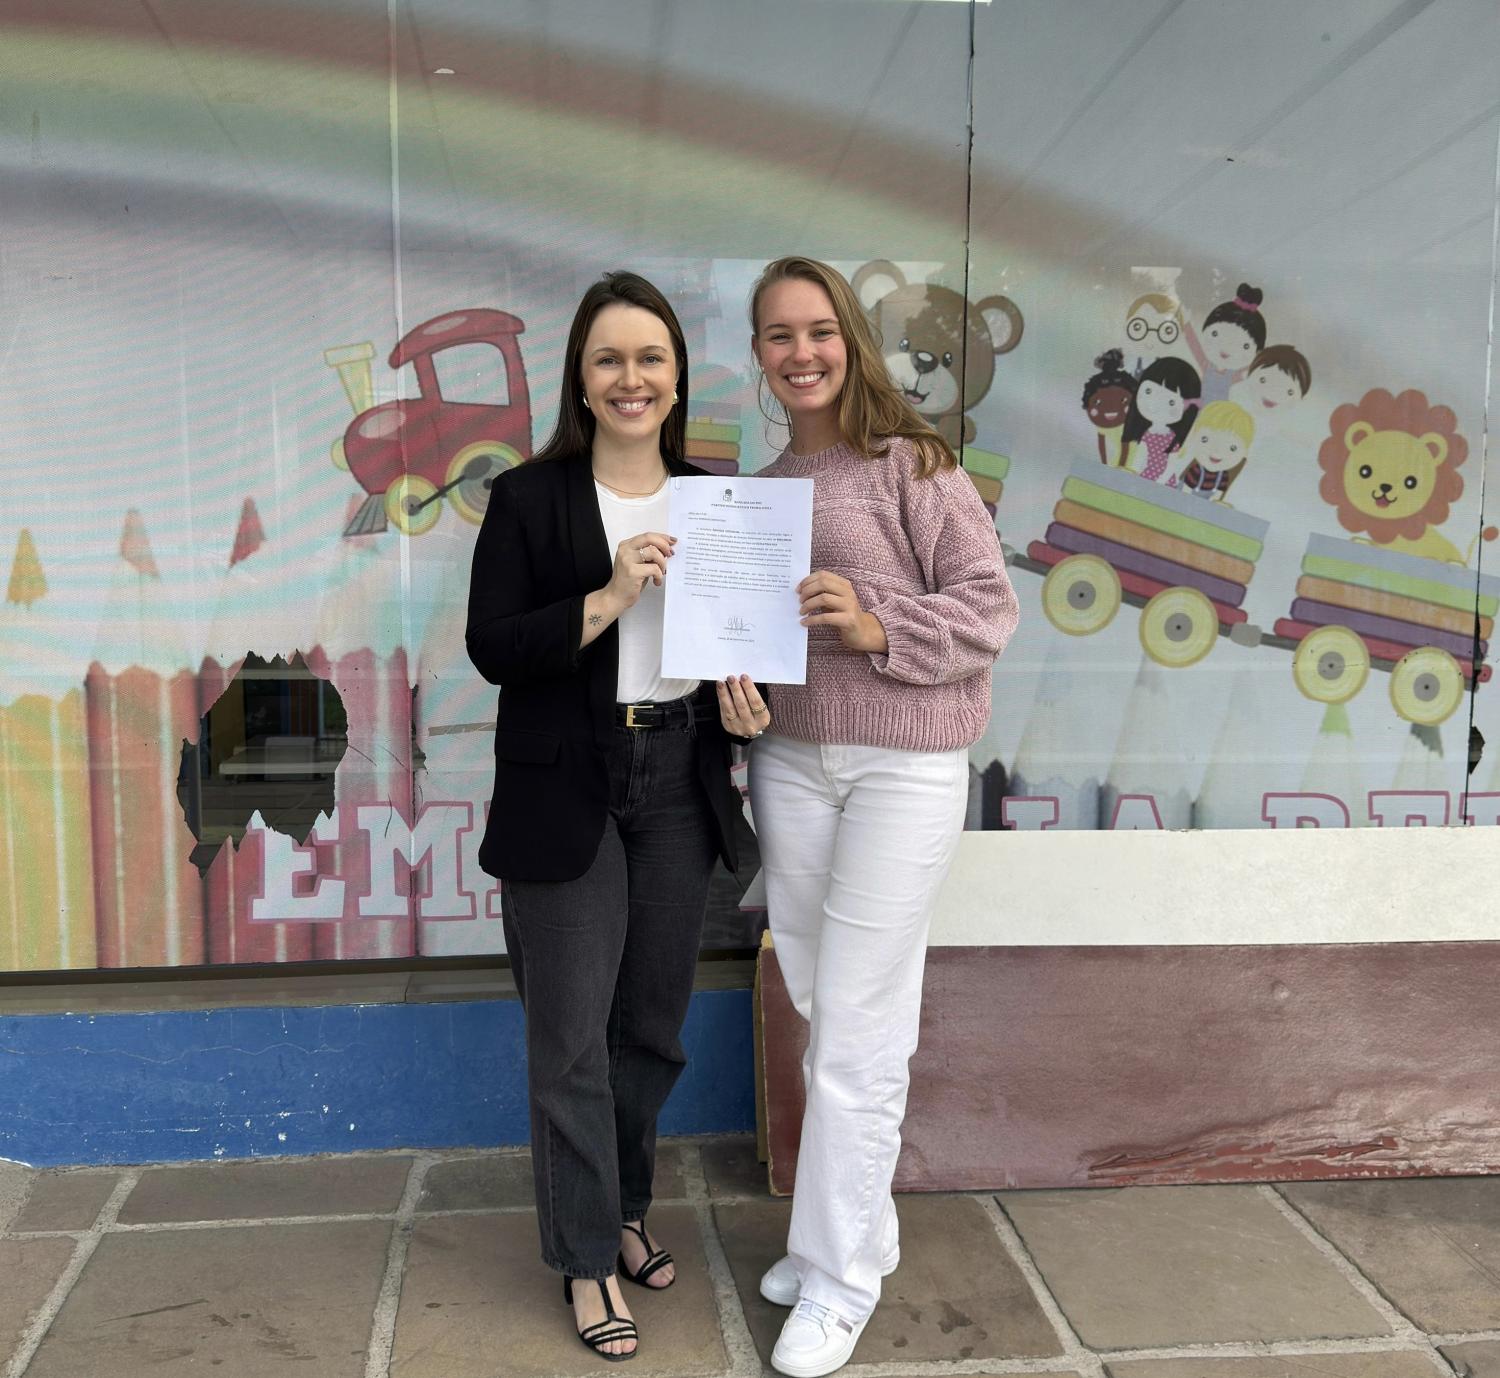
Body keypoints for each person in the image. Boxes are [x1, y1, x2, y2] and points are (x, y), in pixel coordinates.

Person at [465, 270, 769, 1362]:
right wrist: (607, 594)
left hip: (680, 772)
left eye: (650, 358)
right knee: (571, 1041)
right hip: (568, 786)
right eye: (609, 359)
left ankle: (626, 1207)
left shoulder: (717, 501)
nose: (630, 378)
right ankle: (587, 1255)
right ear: (581, 380)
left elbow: (747, 654)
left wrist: (747, 709)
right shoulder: (528, 498)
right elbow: (493, 646)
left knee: (650, 1029)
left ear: (677, 377)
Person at [745, 257, 1019, 1378]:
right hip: (789, 760)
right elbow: (749, 642)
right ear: (759, 355)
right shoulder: (761, 493)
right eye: (778, 335)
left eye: (818, 331)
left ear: (851, 339)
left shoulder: (915, 464)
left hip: (904, 766)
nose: (801, 353)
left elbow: (991, 608)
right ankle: (862, 1227)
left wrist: (875, 626)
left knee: (858, 1027)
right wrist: (735, 689)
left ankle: (838, 1278)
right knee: (825, 1004)